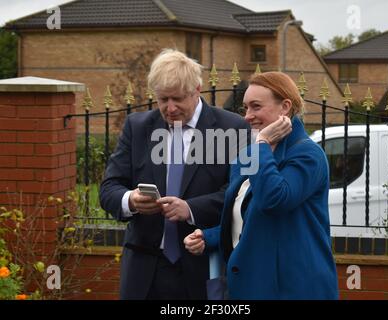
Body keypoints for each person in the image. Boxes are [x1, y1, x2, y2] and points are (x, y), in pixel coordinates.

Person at [99, 49, 249, 300]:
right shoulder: (137, 127)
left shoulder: (232, 127)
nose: (169, 108)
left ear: (197, 89)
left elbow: (239, 194)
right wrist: (131, 200)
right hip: (144, 270)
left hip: (202, 267)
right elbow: (109, 188)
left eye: (178, 99)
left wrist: (190, 209)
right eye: (162, 99)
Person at [184, 71, 339, 299]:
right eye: (245, 107)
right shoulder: (249, 155)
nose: (247, 116)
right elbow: (249, 220)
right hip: (249, 285)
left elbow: (274, 200)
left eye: (256, 106)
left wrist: (262, 143)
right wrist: (209, 237)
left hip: (293, 288)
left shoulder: (308, 155)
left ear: (285, 107)